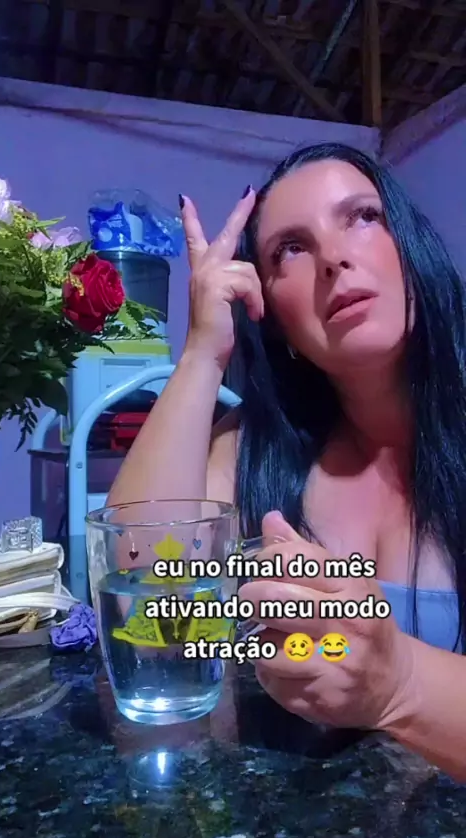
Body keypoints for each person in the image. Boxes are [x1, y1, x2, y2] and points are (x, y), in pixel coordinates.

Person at [108, 143, 466, 782]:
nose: (334, 257)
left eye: (363, 217)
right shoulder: (254, 449)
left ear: (413, 250)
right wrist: (202, 354)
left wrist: (400, 682)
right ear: (272, 317)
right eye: (290, 250)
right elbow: (142, 595)